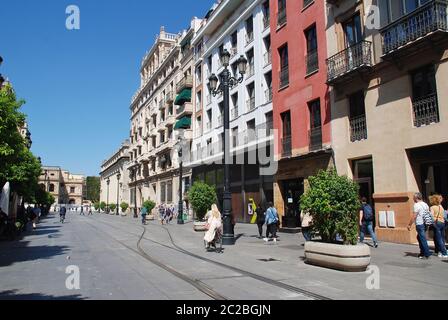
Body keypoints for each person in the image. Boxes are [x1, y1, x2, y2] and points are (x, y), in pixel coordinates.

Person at [407, 192, 431, 259]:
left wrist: (409, 225)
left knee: (422, 239)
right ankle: (422, 252)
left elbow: (414, 216)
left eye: (413, 197)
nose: (413, 199)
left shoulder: (416, 205)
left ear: (416, 198)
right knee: (419, 237)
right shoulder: (425, 204)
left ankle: (426, 253)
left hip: (420, 224)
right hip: (425, 223)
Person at [429, 194, 447, 259]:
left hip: (437, 223)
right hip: (442, 223)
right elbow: (444, 216)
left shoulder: (432, 207)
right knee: (442, 238)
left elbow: (431, 216)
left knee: (438, 239)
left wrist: (433, 223)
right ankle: (440, 252)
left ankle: (444, 253)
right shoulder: (440, 206)